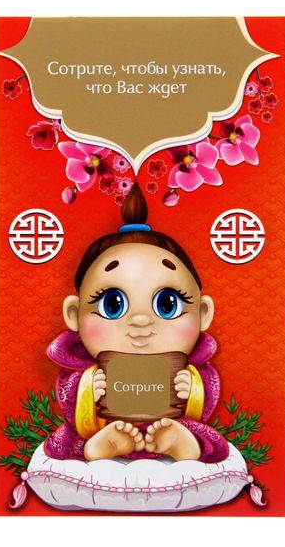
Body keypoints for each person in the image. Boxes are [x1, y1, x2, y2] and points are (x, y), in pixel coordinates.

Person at [44, 183, 228, 463]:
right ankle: (104, 443)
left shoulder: (192, 367)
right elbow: (71, 397)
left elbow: (205, 393)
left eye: (168, 304)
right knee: (73, 438)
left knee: (198, 433)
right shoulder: (83, 366)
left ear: (203, 313)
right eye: (112, 304)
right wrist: (90, 388)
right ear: (73, 314)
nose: (141, 321)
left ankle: (179, 441)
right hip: (106, 425)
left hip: (170, 423)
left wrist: (191, 390)